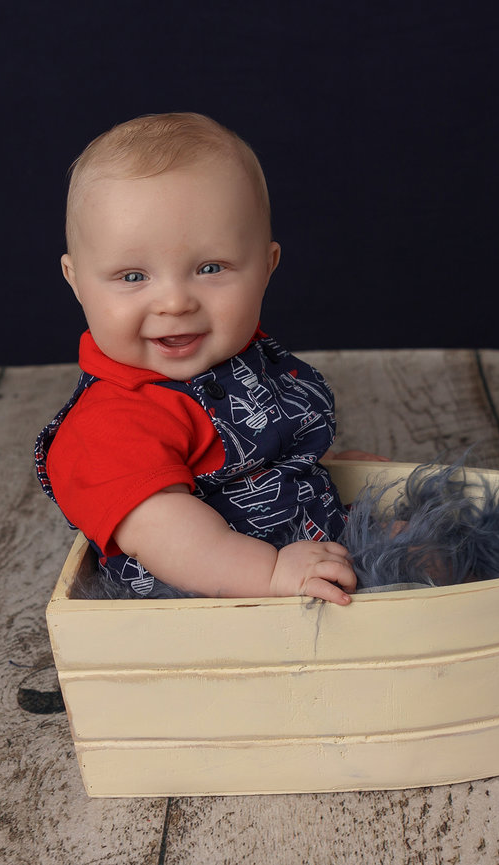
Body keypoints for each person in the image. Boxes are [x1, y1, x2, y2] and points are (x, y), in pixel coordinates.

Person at [34, 113, 382, 604]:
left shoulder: (244, 359)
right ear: (75, 281)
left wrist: (316, 468)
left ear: (266, 265)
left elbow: (254, 448)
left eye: (210, 268)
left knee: (436, 544)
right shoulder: (111, 426)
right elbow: (175, 539)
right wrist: (271, 575)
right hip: (217, 600)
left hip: (305, 553)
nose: (174, 302)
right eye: (133, 276)